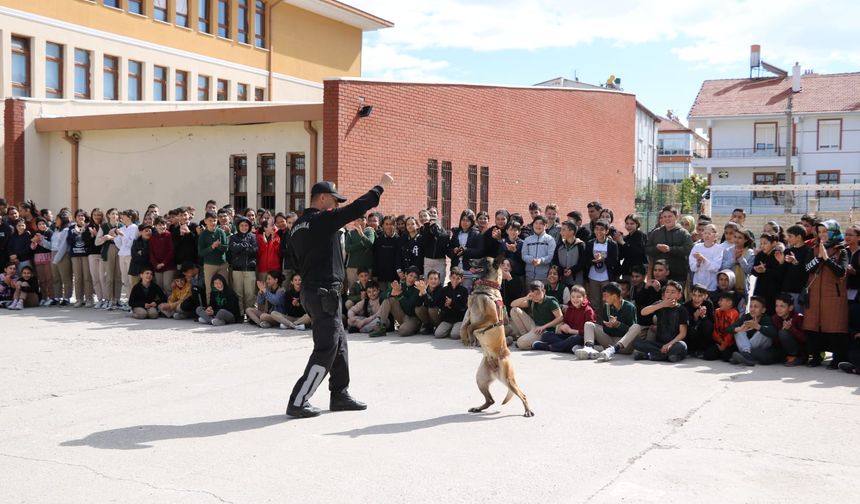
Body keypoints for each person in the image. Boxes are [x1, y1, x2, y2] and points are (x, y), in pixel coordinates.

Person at [286, 174, 392, 418]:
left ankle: (340, 394)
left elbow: (293, 259)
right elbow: (356, 208)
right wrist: (380, 187)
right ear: (322, 198)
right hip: (324, 292)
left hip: (314, 290)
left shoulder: (297, 225)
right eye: (333, 200)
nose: (335, 205)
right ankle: (298, 400)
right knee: (327, 347)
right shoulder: (322, 220)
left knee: (339, 343)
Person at [804, 220, 849, 369]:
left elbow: (841, 271)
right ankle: (816, 357)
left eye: (825, 231)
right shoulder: (813, 248)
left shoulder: (842, 250)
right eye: (820, 232)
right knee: (813, 325)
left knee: (834, 327)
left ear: (833, 232)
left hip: (834, 295)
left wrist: (827, 259)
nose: (822, 235)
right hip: (815, 294)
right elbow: (807, 269)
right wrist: (819, 257)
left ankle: (837, 359)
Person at [577, 282, 642, 361]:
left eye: (605, 296)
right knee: (589, 324)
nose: (603, 299)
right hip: (609, 342)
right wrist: (609, 326)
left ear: (614, 296)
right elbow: (606, 330)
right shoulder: (606, 307)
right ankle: (589, 348)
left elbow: (631, 333)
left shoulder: (630, 307)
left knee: (636, 327)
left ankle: (613, 349)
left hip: (624, 346)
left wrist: (618, 324)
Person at [633, 280, 689, 362]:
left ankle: (649, 355)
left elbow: (683, 333)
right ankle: (670, 356)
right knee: (637, 343)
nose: (669, 294)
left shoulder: (682, 309)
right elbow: (643, 312)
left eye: (672, 292)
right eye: (667, 291)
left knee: (682, 346)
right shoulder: (659, 304)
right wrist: (662, 305)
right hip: (659, 344)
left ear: (679, 295)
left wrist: (669, 344)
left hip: (674, 343)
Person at [532, 285, 595, 353]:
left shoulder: (588, 311)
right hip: (568, 336)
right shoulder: (570, 308)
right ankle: (570, 348)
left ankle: (548, 347)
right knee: (546, 335)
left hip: (580, 337)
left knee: (575, 339)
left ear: (584, 297)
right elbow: (565, 322)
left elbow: (589, 331)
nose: (575, 299)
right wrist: (563, 326)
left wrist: (571, 331)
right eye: (573, 297)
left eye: (578, 297)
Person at [510, 280, 564, 350]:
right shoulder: (532, 301)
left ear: (544, 291)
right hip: (535, 326)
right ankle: (525, 336)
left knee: (521, 343)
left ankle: (537, 342)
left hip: (545, 331)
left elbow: (560, 318)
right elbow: (512, 304)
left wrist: (544, 327)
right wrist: (526, 298)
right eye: (533, 294)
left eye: (538, 293)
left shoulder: (551, 302)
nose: (535, 297)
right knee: (514, 310)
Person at [646, 206, 693, 284]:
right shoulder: (656, 232)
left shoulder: (683, 233)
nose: (667, 219)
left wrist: (670, 249)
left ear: (676, 217)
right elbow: (647, 249)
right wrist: (656, 248)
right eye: (664, 217)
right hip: (658, 278)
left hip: (678, 277)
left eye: (669, 216)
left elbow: (689, 249)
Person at [728, 296, 778, 366]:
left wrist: (758, 327)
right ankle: (747, 355)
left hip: (762, 347)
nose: (752, 309)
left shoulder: (766, 318)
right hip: (749, 346)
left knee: (764, 329)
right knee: (738, 329)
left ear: (763, 310)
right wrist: (740, 329)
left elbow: (774, 333)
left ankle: (745, 355)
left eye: (756, 307)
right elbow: (729, 328)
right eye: (751, 306)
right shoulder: (746, 317)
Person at [583, 219, 618, 307]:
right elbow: (585, 259)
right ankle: (595, 320)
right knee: (594, 302)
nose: (599, 231)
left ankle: (606, 320)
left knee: (607, 302)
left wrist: (603, 260)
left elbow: (615, 261)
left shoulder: (612, 244)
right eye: (596, 229)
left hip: (606, 278)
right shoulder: (590, 243)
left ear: (607, 231)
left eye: (602, 229)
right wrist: (593, 260)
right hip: (593, 277)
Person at [227, 216, 258, 313]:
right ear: (238, 226)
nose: (244, 227)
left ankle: (250, 313)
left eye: (246, 225)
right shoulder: (233, 237)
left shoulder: (253, 237)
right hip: (237, 269)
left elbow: (254, 251)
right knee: (238, 293)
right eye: (242, 225)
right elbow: (233, 249)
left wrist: (240, 248)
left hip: (250, 269)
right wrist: (245, 245)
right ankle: (240, 313)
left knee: (250, 293)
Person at [448, 210, 483, 290]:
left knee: (467, 292)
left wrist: (466, 250)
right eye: (463, 220)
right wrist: (454, 251)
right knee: (454, 291)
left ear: (472, 222)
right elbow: (448, 250)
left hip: (469, 269)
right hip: (456, 268)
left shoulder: (477, 234)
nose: (465, 222)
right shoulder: (456, 233)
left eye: (467, 220)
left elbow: (480, 252)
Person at [780, 225, 811, 313]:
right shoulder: (787, 251)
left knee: (797, 317)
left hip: (798, 291)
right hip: (785, 290)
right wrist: (781, 263)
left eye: (790, 236)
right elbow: (782, 272)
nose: (788, 239)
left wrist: (795, 262)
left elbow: (806, 271)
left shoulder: (808, 251)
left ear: (799, 237)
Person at [95, 208, 121, 310]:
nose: (115, 216)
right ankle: (108, 299)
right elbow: (96, 242)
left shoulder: (122, 226)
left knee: (118, 276)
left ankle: (117, 299)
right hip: (108, 249)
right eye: (112, 214)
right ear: (108, 215)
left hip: (120, 250)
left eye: (116, 214)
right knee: (109, 276)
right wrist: (106, 237)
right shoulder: (104, 226)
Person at [702, 291, 740, 361]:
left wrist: (723, 345)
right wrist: (720, 341)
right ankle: (720, 352)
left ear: (729, 303)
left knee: (725, 356)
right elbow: (715, 328)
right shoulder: (717, 311)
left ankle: (729, 354)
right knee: (707, 355)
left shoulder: (734, 313)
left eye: (721, 300)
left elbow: (731, 333)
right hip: (719, 341)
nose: (718, 302)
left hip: (730, 343)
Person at [67, 211, 94, 307]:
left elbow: (90, 241)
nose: (80, 217)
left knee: (87, 277)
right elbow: (69, 241)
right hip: (75, 255)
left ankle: (89, 299)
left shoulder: (88, 227)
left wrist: (84, 233)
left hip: (86, 255)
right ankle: (79, 299)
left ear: (85, 217)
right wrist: (75, 234)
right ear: (75, 217)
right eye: (78, 216)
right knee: (78, 278)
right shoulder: (71, 228)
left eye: (82, 216)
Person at [752, 232, 783, 314]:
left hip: (773, 290)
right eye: (761, 243)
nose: (762, 246)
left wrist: (765, 270)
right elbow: (753, 272)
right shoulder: (760, 255)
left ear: (773, 243)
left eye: (765, 243)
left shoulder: (778, 255)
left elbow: (780, 274)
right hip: (760, 288)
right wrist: (757, 270)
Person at [387, 266, 424, 337]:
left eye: (415, 277)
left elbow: (409, 308)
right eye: (410, 275)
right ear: (406, 275)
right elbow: (382, 295)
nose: (412, 279)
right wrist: (392, 293)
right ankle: (381, 324)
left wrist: (399, 294)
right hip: (402, 316)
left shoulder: (417, 289)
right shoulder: (401, 285)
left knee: (402, 331)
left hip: (412, 318)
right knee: (389, 299)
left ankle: (414, 328)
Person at [434, 267, 469, 339]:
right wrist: (446, 305)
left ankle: (455, 329)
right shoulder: (444, 290)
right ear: (450, 277)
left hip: (459, 319)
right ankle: (450, 329)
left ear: (462, 279)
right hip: (447, 319)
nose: (455, 280)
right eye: (453, 277)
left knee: (454, 335)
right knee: (438, 334)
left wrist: (452, 302)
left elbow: (463, 307)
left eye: (458, 278)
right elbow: (439, 303)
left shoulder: (464, 291)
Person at [773, 293, 805, 367]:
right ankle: (785, 358)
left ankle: (796, 357)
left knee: (783, 333)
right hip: (781, 350)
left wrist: (791, 329)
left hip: (798, 351)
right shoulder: (775, 318)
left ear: (790, 308)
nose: (778, 309)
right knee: (762, 356)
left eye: (782, 306)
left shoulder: (798, 317)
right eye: (776, 306)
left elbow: (805, 339)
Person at [418, 208, 449, 282]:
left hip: (439, 260)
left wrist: (435, 228)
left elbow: (444, 241)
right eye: (421, 216)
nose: (423, 218)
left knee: (439, 283)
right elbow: (423, 244)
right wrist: (427, 227)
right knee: (427, 284)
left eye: (425, 216)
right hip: (427, 260)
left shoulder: (440, 227)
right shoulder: (421, 230)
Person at [522, 215, 556, 283]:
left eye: (541, 223)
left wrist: (541, 260)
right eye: (536, 223)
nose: (538, 225)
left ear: (545, 226)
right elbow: (524, 255)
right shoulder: (527, 240)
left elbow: (550, 256)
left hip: (544, 277)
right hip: (529, 276)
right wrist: (532, 260)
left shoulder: (550, 240)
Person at [688, 223, 722, 292]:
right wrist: (697, 263)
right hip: (698, 282)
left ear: (715, 236)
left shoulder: (718, 248)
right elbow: (692, 266)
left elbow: (715, 267)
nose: (707, 235)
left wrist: (703, 259)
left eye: (709, 233)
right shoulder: (697, 247)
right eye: (705, 233)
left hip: (711, 284)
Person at [552, 220, 585, 289]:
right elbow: (555, 261)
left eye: (564, 230)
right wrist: (562, 270)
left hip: (576, 281)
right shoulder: (559, 245)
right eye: (561, 230)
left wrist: (572, 270)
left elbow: (582, 262)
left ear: (572, 232)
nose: (561, 232)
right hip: (562, 280)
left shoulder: (580, 245)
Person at [683, 284, 715, 356]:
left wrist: (703, 316)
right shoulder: (686, 306)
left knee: (707, 325)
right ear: (691, 295)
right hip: (691, 334)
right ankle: (691, 349)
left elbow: (712, 321)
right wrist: (695, 317)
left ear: (705, 296)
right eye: (694, 295)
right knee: (692, 329)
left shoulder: (708, 304)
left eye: (700, 296)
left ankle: (703, 349)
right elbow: (685, 323)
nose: (696, 298)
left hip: (703, 334)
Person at [345, 215, 375, 288]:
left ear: (366, 221)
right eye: (358, 220)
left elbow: (370, 243)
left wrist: (361, 234)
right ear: (354, 222)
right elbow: (348, 248)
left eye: (362, 219)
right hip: (352, 267)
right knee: (352, 289)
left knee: (367, 289)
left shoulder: (369, 231)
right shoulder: (350, 233)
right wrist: (362, 244)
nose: (360, 222)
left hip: (367, 267)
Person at [149, 217, 176, 295]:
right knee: (159, 286)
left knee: (167, 285)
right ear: (155, 226)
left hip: (168, 266)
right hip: (157, 266)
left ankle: (169, 304)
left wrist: (163, 263)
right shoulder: (153, 237)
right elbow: (151, 252)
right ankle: (161, 303)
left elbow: (171, 251)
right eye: (159, 225)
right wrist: (156, 264)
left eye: (163, 224)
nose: (162, 227)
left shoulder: (169, 235)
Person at [30, 218, 54, 306]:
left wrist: (41, 240)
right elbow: (32, 248)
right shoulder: (35, 233)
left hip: (48, 257)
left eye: (43, 224)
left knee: (49, 279)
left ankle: (52, 297)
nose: (42, 226)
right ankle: (44, 297)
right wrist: (34, 243)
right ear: (37, 226)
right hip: (37, 258)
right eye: (39, 224)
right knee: (41, 280)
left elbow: (51, 246)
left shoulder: (50, 232)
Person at [50, 213, 72, 306]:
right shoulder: (56, 230)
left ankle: (66, 298)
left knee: (65, 278)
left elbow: (64, 246)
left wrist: (56, 259)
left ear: (63, 220)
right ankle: (57, 297)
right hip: (54, 253)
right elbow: (51, 245)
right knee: (56, 278)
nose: (56, 221)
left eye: (57, 219)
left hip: (63, 255)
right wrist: (41, 241)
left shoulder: (66, 230)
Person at [372, 215, 400, 284]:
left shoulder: (399, 240)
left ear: (394, 225)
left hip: (394, 277)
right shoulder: (379, 240)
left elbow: (399, 259)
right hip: (381, 276)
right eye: (386, 224)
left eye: (391, 224)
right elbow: (375, 258)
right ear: (383, 225)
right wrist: (374, 274)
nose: (388, 226)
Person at [618, 213, 647, 278]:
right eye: (627, 223)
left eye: (632, 224)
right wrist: (617, 242)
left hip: (638, 271)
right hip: (626, 271)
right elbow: (621, 256)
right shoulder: (626, 238)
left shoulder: (641, 235)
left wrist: (622, 243)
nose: (629, 226)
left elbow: (638, 252)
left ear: (637, 224)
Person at [415, 269, 444, 334]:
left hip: (439, 316)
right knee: (418, 309)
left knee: (432, 309)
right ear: (427, 280)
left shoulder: (442, 290)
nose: (433, 281)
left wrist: (424, 292)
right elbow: (417, 304)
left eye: (435, 279)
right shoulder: (425, 288)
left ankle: (437, 326)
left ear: (439, 280)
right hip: (429, 316)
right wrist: (420, 292)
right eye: (431, 278)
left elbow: (432, 304)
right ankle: (428, 326)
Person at [501, 221, 526, 293]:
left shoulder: (522, 243)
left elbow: (524, 260)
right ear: (507, 231)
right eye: (511, 230)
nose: (513, 232)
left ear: (519, 232)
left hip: (519, 274)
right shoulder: (503, 242)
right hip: (505, 274)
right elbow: (500, 258)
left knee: (519, 293)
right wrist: (507, 251)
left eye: (515, 230)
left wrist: (515, 251)